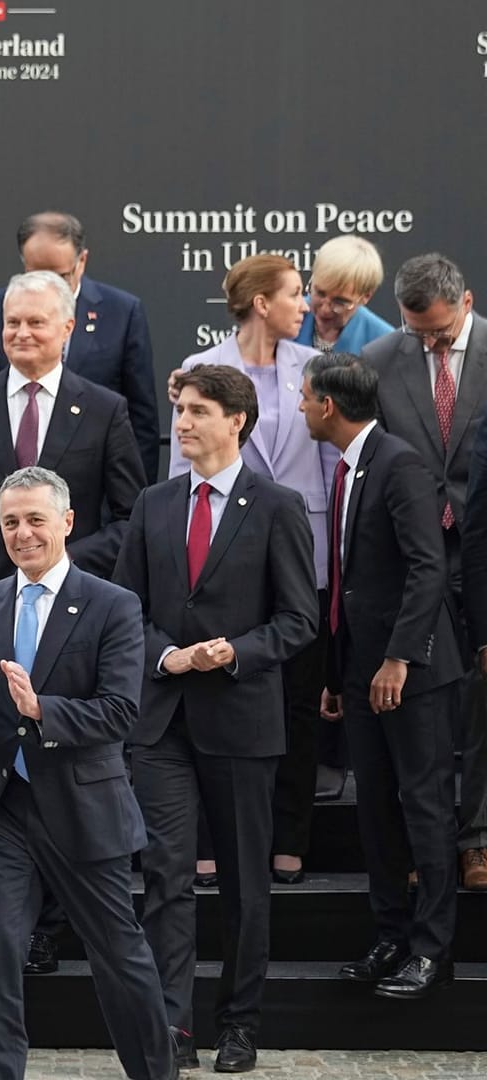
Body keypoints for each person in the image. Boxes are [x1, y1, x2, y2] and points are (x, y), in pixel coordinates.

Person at [0, 466, 173, 1080]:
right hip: (0, 808)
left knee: (120, 955)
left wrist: (44, 709)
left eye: (36, 519)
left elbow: (122, 711)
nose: (23, 533)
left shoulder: (112, 604)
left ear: (67, 523)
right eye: (11, 522)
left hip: (81, 807)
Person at [114, 364, 317, 1072]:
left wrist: (235, 651)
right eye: (180, 409)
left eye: (199, 410)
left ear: (237, 420)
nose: (184, 421)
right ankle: (172, 1026)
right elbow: (125, 611)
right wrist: (166, 656)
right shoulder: (154, 503)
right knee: (166, 875)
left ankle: (239, 1023)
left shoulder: (278, 505)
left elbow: (299, 620)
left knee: (241, 881)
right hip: (163, 722)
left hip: (241, 720)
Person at [168, 253, 336, 888]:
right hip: (219, 561)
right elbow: (180, 470)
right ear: (262, 302)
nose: (307, 305)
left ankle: (288, 839)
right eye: (297, 294)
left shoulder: (312, 367)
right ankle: (208, 843)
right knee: (210, 703)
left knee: (296, 704)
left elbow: (325, 467)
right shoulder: (204, 370)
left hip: (300, 551)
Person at [300, 352, 461, 1000]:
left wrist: (400, 657)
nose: (303, 407)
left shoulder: (400, 464)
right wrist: (339, 671)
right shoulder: (348, 466)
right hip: (364, 672)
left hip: (412, 672)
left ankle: (432, 951)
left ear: (330, 406)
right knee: (375, 814)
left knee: (422, 809)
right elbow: (350, 583)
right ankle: (391, 936)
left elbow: (428, 567)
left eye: (308, 398)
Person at [360, 254, 487, 891]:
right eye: (417, 331)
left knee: (483, 700)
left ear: (464, 302)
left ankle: (478, 839)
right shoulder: (384, 358)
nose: (429, 342)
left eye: (438, 331)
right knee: (421, 710)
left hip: (483, 550)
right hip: (416, 559)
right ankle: (424, 844)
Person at [0, 270, 146, 600]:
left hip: (75, 602)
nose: (22, 333)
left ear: (67, 328)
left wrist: (65, 557)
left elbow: (131, 520)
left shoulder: (104, 410)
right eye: (13, 323)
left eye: (36, 323)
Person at [0, 212, 159, 481]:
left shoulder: (122, 311)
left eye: (59, 276)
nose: (48, 286)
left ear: (82, 261)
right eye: (36, 273)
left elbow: (142, 419)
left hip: (95, 491)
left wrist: (138, 506)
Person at [296, 235, 394, 354]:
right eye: (320, 293)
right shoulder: (282, 318)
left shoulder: (384, 344)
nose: (325, 310)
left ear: (366, 297)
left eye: (339, 302)